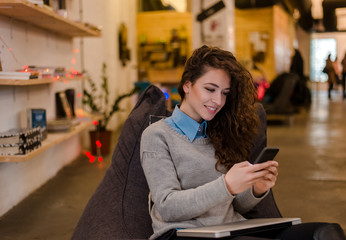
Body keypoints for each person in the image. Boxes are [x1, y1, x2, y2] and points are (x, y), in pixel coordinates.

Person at [140, 45, 346, 240]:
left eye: (224, 93)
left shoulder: (219, 132)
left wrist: (256, 188)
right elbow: (168, 206)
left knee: (326, 233)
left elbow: (236, 205)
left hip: (231, 229)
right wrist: (227, 184)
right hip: (186, 234)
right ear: (187, 85)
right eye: (210, 89)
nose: (218, 101)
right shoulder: (157, 135)